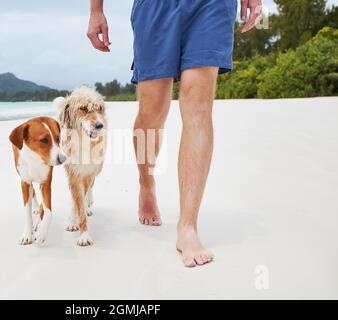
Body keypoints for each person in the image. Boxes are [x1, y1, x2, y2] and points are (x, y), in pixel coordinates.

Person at [87, 0, 262, 267]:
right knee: (152, 110)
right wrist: (96, 10)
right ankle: (146, 181)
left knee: (199, 107)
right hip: (156, 7)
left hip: (212, 5)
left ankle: (187, 226)